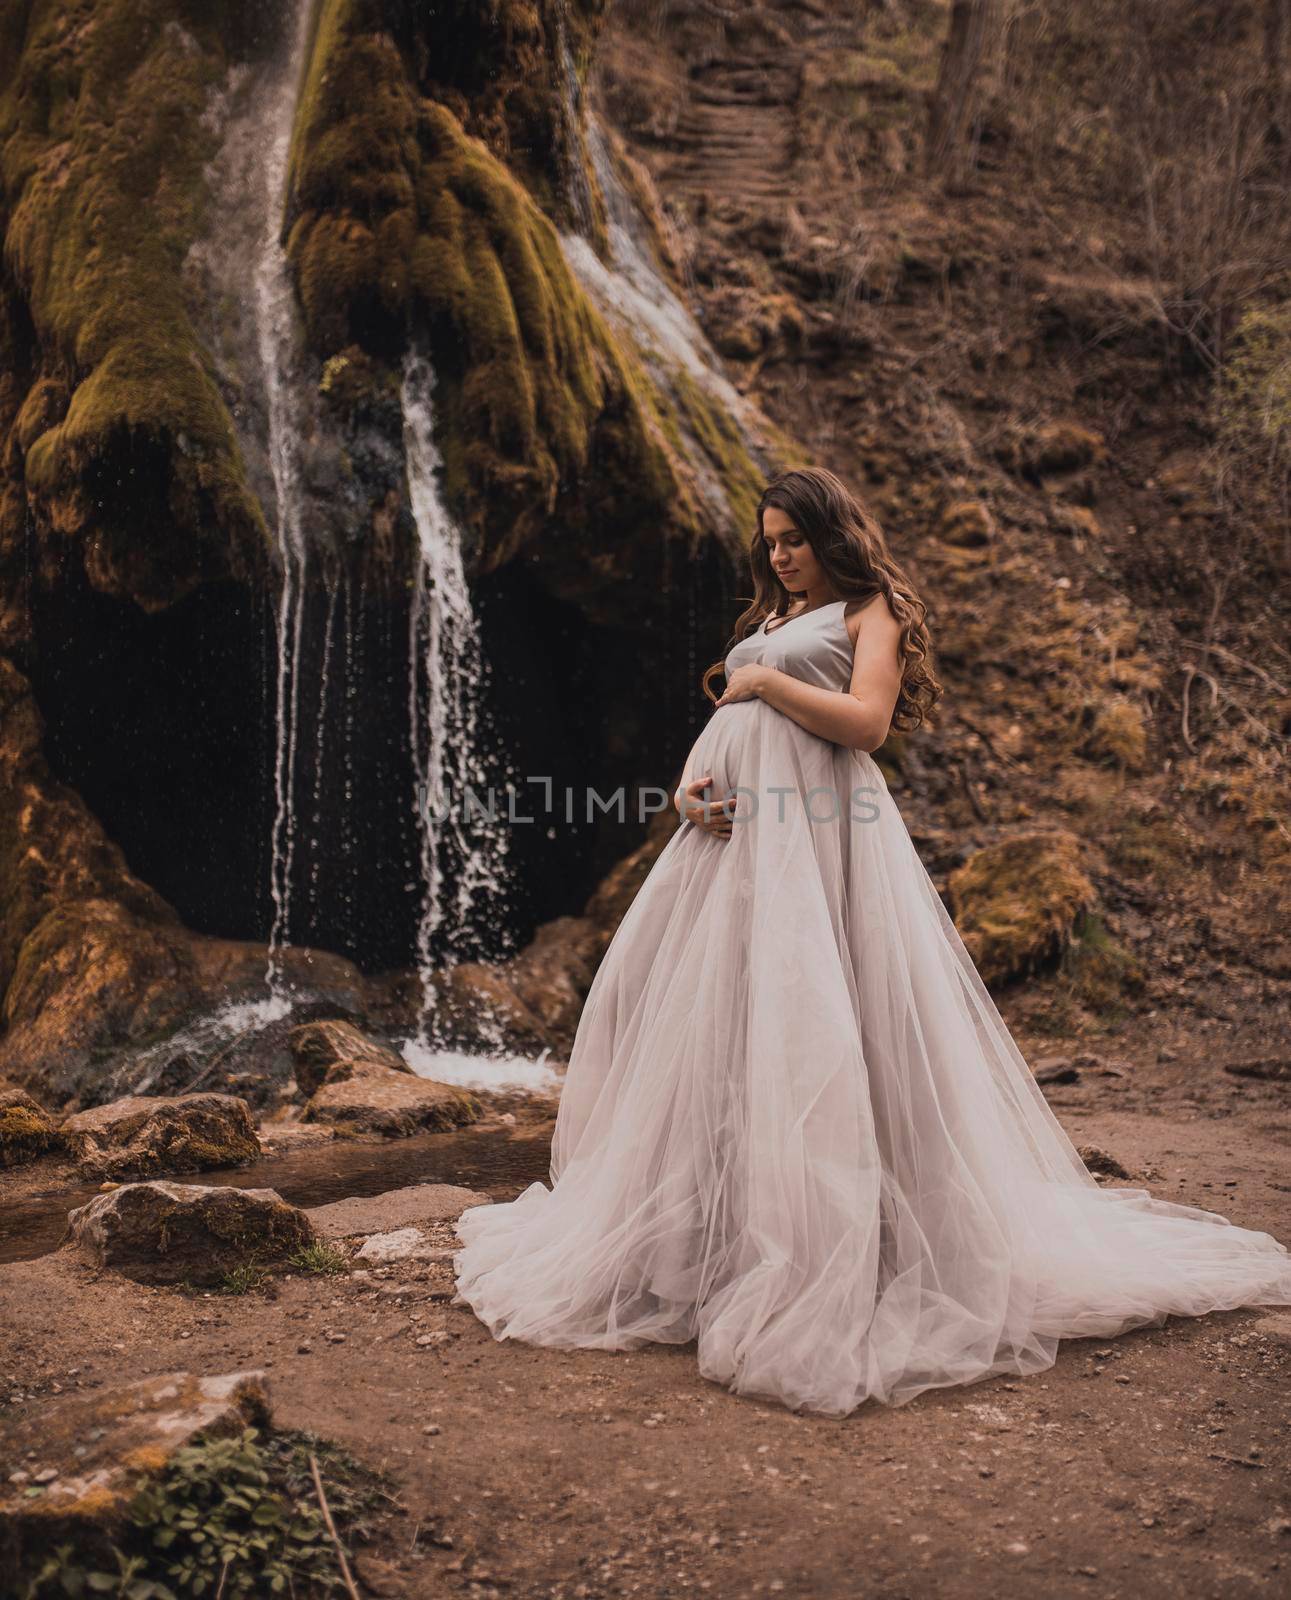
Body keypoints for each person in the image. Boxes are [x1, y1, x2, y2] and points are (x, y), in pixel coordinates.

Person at [452, 466, 1291, 1418]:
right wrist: (688, 791)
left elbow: (866, 723)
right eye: (767, 541)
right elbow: (716, 732)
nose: (777, 555)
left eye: (791, 539)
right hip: (735, 855)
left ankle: (864, 1244)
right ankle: (711, 1250)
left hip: (824, 841)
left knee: (833, 1023)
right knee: (728, 1037)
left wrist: (763, 678)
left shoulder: (870, 608)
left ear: (830, 533)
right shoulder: (764, 628)